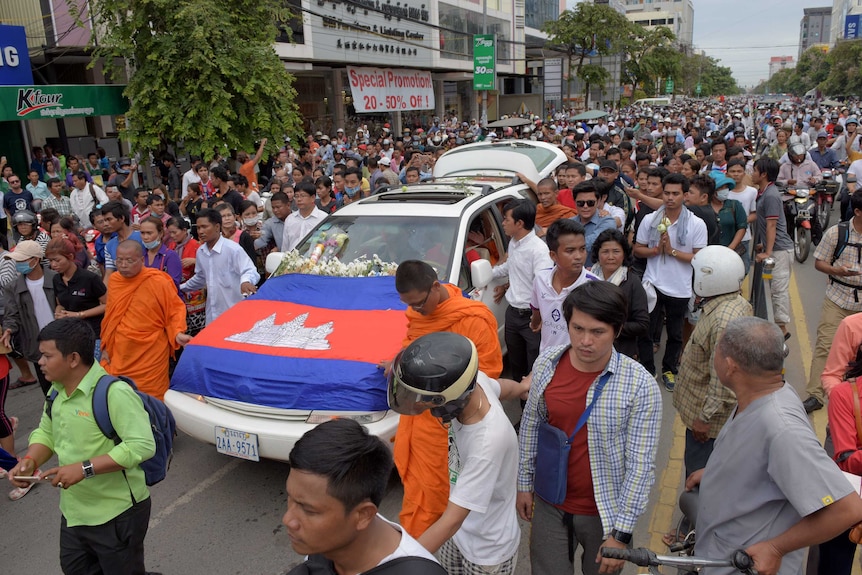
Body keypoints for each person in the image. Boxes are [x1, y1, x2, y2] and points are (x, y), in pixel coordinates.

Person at [688, 316, 862, 575]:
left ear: (730, 366)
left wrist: (776, 548)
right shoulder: (764, 391)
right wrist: (716, 473)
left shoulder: (782, 429)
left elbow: (847, 509)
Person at [517, 281, 662, 575]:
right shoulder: (547, 364)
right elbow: (532, 425)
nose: (585, 341)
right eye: (577, 329)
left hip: (604, 512)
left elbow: (640, 465)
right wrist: (524, 483)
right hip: (549, 503)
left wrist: (621, 535)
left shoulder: (640, 385)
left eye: (598, 332)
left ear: (617, 331)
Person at [6, 318, 158, 575]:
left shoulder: (113, 393)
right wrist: (30, 460)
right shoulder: (56, 392)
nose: (40, 362)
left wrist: (85, 468)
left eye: (46, 355)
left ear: (73, 358)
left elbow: (141, 446)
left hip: (117, 513)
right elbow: (47, 432)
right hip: (74, 513)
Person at [388, 332, 526, 574]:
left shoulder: (488, 442)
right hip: (459, 536)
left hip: (487, 551)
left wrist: (400, 564)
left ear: (448, 400)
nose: (418, 404)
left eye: (423, 400)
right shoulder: (473, 384)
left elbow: (452, 520)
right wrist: (524, 386)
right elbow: (502, 387)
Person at [387, 260, 503, 538]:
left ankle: (440, 543)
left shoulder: (472, 317)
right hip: (419, 418)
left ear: (435, 287)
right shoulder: (419, 313)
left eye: (418, 304)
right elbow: (413, 346)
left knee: (447, 490)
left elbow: (486, 373)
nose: (414, 311)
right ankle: (421, 550)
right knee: (420, 490)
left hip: (451, 420)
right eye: (409, 305)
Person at [284, 418, 445, 575]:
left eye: (308, 510)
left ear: (363, 515)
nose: (288, 520)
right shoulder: (326, 544)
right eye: (290, 498)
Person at [673, 246, 751, 477]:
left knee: (699, 476)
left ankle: (697, 512)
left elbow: (723, 381)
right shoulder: (728, 304)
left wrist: (705, 419)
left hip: (708, 425)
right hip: (705, 416)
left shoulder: (724, 320)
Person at [634, 173, 708, 390]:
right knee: (645, 331)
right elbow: (638, 249)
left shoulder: (696, 224)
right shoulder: (650, 220)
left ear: (685, 196)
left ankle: (669, 369)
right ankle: (648, 369)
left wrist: (672, 252)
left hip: (680, 287)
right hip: (652, 284)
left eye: (676, 193)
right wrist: (655, 251)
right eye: (667, 193)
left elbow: (698, 257)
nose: (670, 198)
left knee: (675, 334)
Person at [101, 240, 190, 400]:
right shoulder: (115, 280)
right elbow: (111, 317)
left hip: (150, 352)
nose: (123, 265)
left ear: (142, 260)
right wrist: (106, 347)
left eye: (129, 260)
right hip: (121, 352)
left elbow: (174, 310)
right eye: (119, 260)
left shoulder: (158, 281)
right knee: (120, 397)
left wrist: (177, 333)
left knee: (151, 401)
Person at [801, 191, 862, 413]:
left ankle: (853, 393)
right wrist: (836, 271)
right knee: (826, 345)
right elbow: (819, 263)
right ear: (857, 211)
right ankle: (816, 394)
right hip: (838, 298)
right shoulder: (837, 233)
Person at [492, 199, 552, 385]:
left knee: (533, 365)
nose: (503, 223)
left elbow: (543, 287)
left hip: (531, 318)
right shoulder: (514, 243)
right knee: (516, 364)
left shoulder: (539, 250)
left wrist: (537, 317)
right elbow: (511, 267)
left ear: (519, 223)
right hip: (512, 314)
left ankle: (533, 407)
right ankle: (521, 402)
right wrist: (487, 274)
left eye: (506, 219)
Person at [180, 209, 259, 325]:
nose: (200, 231)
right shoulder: (201, 252)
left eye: (204, 227)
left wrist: (246, 282)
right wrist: (180, 287)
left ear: (217, 227)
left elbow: (249, 270)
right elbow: (201, 278)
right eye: (198, 228)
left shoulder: (233, 249)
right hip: (213, 315)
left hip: (235, 315)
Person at [530, 219, 599, 352]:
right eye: (570, 250)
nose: (579, 256)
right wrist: (535, 323)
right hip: (546, 359)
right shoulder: (540, 279)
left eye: (582, 249)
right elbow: (536, 311)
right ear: (553, 255)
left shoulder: (594, 286)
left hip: (579, 363)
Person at [0, 240, 58, 394]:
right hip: (37, 345)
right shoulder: (12, 287)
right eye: (17, 261)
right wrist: (8, 330)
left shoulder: (56, 279)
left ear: (36, 259)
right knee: (49, 392)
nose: (18, 264)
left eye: (22, 260)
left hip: (63, 340)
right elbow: (11, 314)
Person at [590, 229, 650, 359]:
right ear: (597, 254)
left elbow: (642, 324)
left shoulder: (632, 283)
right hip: (589, 347)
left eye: (616, 251)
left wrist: (609, 328)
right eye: (605, 252)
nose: (610, 257)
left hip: (621, 352)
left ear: (624, 254)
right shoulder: (588, 279)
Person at [752, 157, 795, 340]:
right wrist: (764, 245)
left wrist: (768, 252)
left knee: (778, 290)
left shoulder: (770, 195)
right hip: (774, 246)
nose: (751, 173)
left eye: (754, 170)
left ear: (763, 174)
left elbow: (771, 225)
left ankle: (782, 330)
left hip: (780, 250)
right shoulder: (763, 192)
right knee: (773, 290)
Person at [46, 238, 107, 359]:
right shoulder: (56, 279)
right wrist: (59, 313)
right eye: (50, 261)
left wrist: (79, 314)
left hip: (93, 335)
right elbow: (60, 304)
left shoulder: (90, 278)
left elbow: (107, 304)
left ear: (70, 256)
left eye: (57, 260)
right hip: (70, 335)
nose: (53, 265)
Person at [166, 218, 206, 336]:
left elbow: (207, 268)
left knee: (196, 331)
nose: (172, 236)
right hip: (178, 290)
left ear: (184, 230)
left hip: (194, 295)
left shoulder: (196, 245)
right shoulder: (171, 245)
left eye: (175, 232)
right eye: (170, 233)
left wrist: (195, 261)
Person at [571, 181, 617, 267]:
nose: (585, 206)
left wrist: (567, 246)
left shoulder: (608, 222)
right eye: (580, 203)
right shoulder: (569, 223)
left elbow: (590, 243)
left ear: (598, 201)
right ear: (575, 202)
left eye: (590, 203)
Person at [101, 201, 144, 280]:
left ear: (121, 218)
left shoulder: (142, 237)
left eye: (109, 219)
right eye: (104, 221)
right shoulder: (109, 246)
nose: (105, 224)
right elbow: (109, 274)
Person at [282, 182, 328, 253]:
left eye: (302, 196)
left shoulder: (323, 218)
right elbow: (285, 246)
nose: (299, 199)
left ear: (312, 198)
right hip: (292, 260)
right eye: (296, 196)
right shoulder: (290, 219)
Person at [140, 216, 182, 290]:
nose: (145, 237)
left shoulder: (170, 256)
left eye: (149, 233)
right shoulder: (140, 255)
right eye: (142, 233)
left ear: (160, 233)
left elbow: (173, 285)